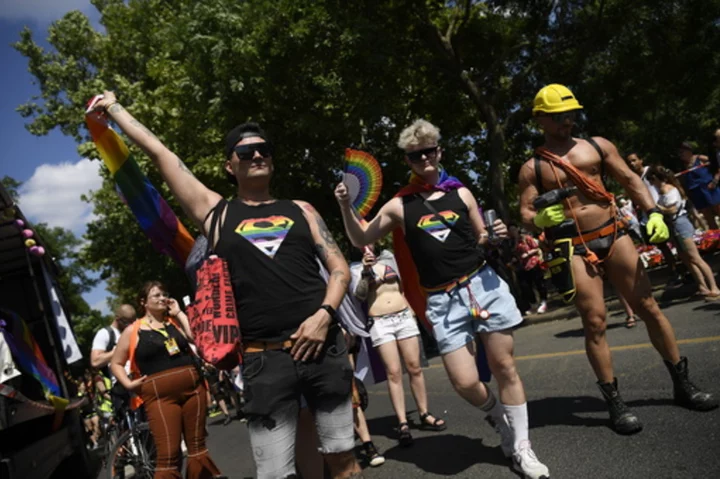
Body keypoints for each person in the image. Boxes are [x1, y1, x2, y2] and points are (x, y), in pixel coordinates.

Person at [93, 91, 360, 479]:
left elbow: (339, 270)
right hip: (263, 361)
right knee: (274, 474)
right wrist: (115, 109)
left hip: (325, 348)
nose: (256, 156)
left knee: (344, 462)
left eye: (263, 149)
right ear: (229, 165)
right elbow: (162, 154)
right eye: (245, 152)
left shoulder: (302, 209)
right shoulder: (215, 214)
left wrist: (324, 315)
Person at [336, 119, 550, 479]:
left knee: (505, 368)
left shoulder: (461, 193)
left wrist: (494, 234)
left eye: (428, 151)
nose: (424, 159)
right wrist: (345, 207)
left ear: (439, 151)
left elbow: (482, 238)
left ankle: (522, 448)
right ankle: (498, 416)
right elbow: (360, 238)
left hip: (482, 286)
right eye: (415, 155)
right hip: (442, 300)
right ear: (408, 161)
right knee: (465, 381)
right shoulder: (399, 206)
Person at [518, 84, 718, 436]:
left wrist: (653, 213)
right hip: (574, 247)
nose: (567, 121)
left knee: (648, 306)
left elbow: (628, 179)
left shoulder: (598, 145)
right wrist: (539, 220)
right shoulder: (532, 166)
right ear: (540, 120)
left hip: (615, 235)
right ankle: (615, 403)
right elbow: (525, 211)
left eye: (571, 114)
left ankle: (683, 384)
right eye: (559, 116)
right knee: (594, 322)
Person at [111, 281, 224, 479]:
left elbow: (194, 338)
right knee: (169, 454)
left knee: (197, 448)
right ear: (143, 302)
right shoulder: (133, 331)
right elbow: (116, 363)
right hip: (160, 398)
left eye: (164, 294)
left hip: (194, 390)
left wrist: (179, 313)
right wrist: (128, 384)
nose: (163, 298)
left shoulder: (173, 323)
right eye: (156, 295)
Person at [352, 245, 446, 447]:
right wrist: (366, 272)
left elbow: (402, 287)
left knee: (415, 367)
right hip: (380, 322)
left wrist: (412, 312)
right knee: (393, 372)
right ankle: (402, 422)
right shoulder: (355, 267)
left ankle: (424, 413)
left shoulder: (388, 257)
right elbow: (359, 295)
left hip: (403, 317)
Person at [645, 166, 720, 300]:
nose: (650, 183)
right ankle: (702, 286)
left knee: (695, 257)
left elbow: (672, 209)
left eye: (651, 179)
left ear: (656, 178)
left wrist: (657, 209)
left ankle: (714, 286)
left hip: (680, 223)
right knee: (686, 259)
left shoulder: (670, 190)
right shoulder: (661, 192)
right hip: (672, 226)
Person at [625, 153, 683, 284]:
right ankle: (674, 270)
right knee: (662, 245)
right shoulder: (633, 178)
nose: (632, 164)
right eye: (629, 162)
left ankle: (684, 267)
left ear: (641, 160)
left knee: (676, 241)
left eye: (634, 160)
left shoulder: (650, 172)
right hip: (648, 216)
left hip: (662, 210)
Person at [90, 304, 137, 412]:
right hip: (121, 383)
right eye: (127, 322)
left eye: (133, 322)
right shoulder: (105, 334)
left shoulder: (132, 331)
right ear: (117, 318)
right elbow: (95, 361)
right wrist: (117, 351)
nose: (130, 325)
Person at [678, 142, 720, 230]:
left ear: (689, 151)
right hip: (696, 193)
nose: (681, 155)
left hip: (709, 188)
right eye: (680, 153)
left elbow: (717, 166)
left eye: (682, 152)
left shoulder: (700, 158)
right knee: (708, 218)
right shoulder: (683, 167)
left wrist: (715, 181)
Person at [508, 225, 548, 315]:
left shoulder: (526, 238)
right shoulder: (511, 242)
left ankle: (543, 301)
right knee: (525, 286)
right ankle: (533, 303)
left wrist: (528, 253)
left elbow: (537, 248)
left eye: (513, 229)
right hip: (521, 266)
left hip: (533, 263)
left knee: (539, 283)